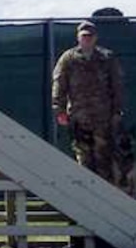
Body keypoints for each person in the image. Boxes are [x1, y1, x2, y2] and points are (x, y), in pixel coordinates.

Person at [52, 20, 128, 191]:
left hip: (103, 117)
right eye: (84, 36)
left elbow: (117, 85)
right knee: (83, 157)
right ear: (78, 37)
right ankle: (86, 197)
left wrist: (117, 110)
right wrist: (59, 109)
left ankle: (106, 197)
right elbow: (59, 84)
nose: (87, 39)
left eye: (90, 36)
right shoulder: (68, 59)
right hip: (79, 117)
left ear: (95, 38)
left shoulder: (107, 58)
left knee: (104, 158)